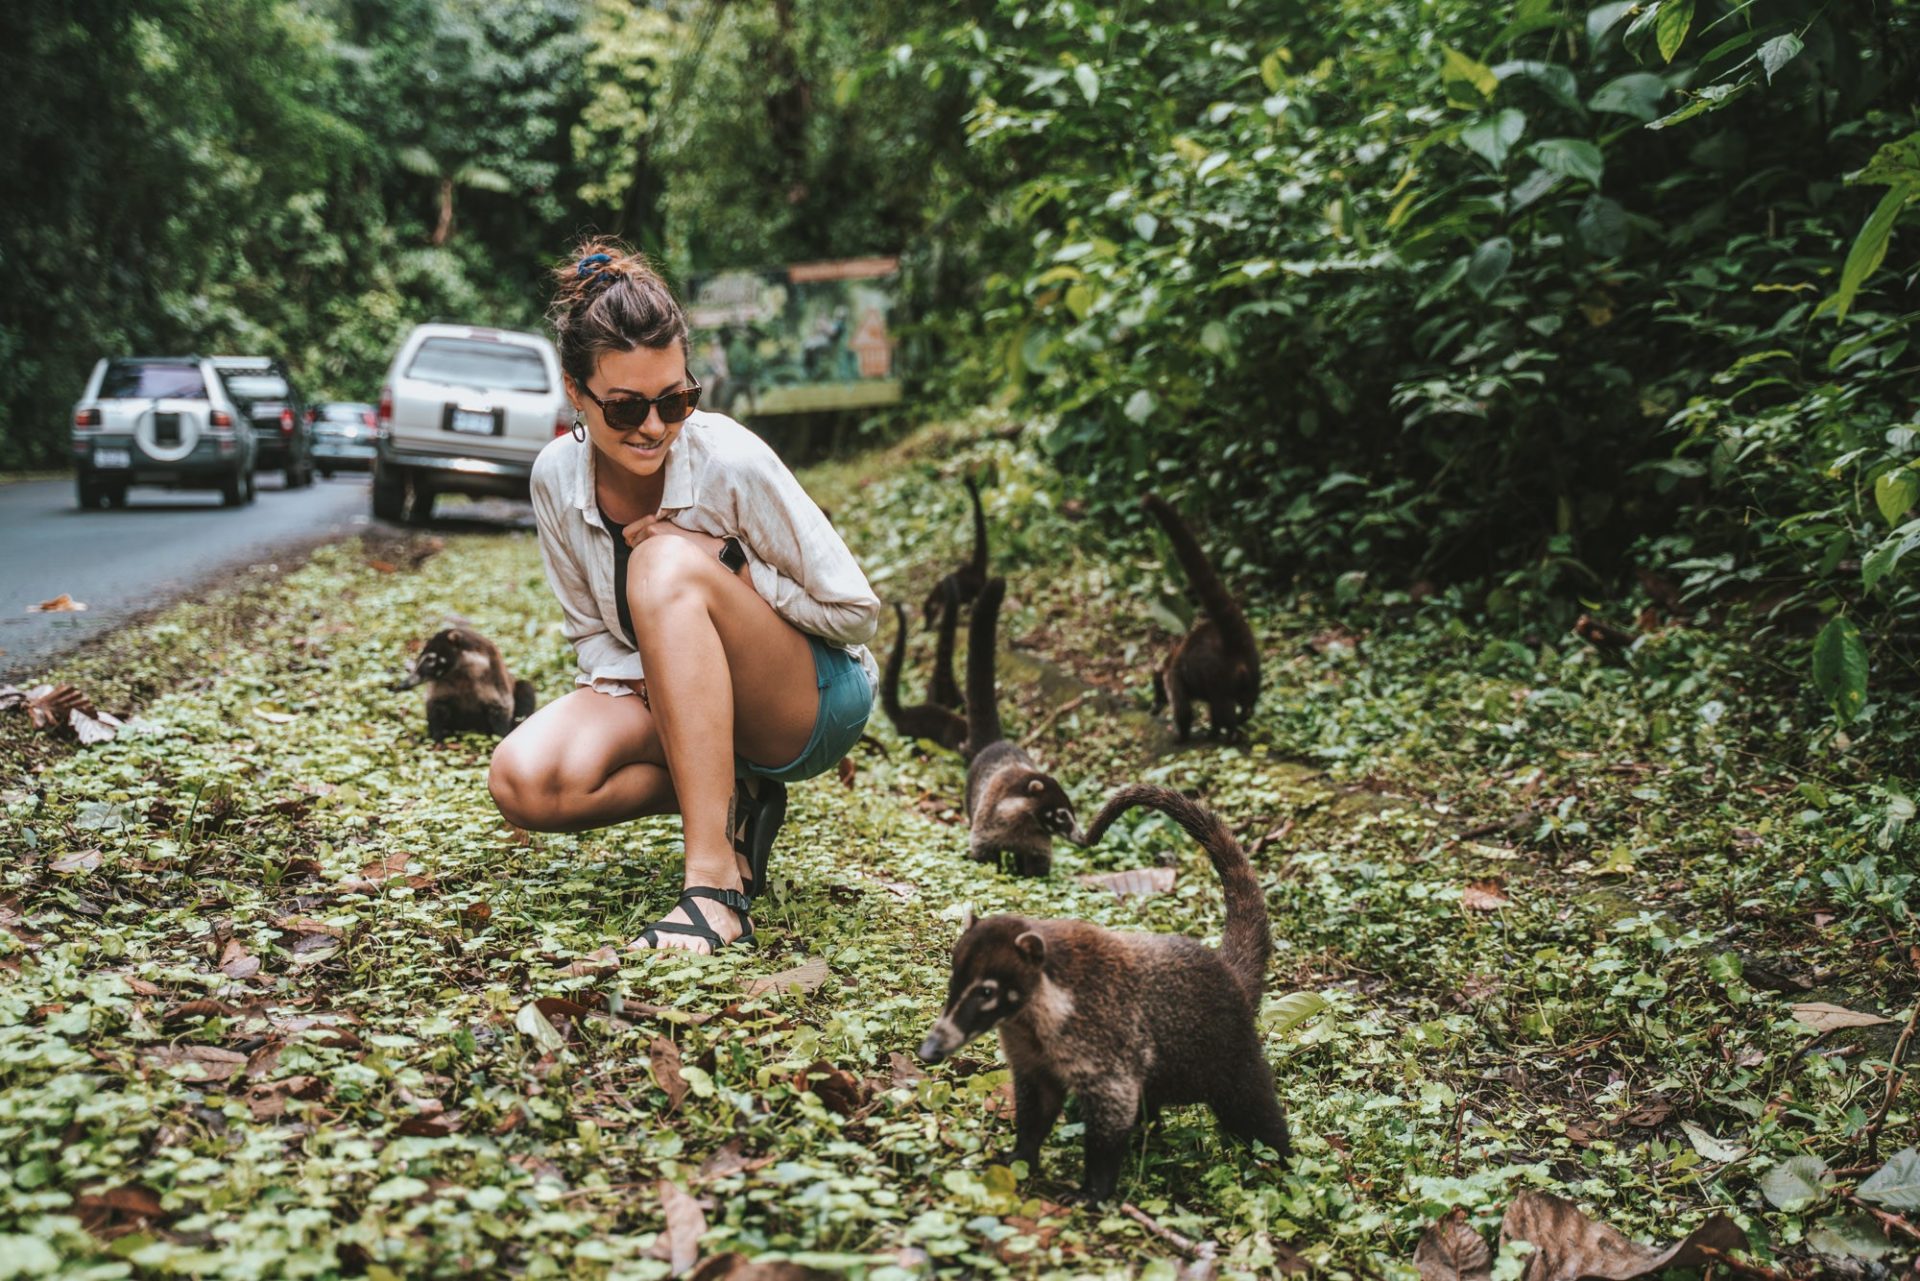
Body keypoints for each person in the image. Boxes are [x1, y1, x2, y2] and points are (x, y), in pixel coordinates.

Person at [489, 238, 880, 954]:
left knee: (662, 565)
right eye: (626, 407)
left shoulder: (725, 457)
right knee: (525, 780)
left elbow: (855, 611)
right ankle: (739, 796)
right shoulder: (554, 477)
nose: (654, 428)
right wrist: (674, 690)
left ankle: (715, 890)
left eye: (675, 400)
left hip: (812, 700)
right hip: (671, 690)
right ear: (576, 394)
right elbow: (592, 638)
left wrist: (723, 560)